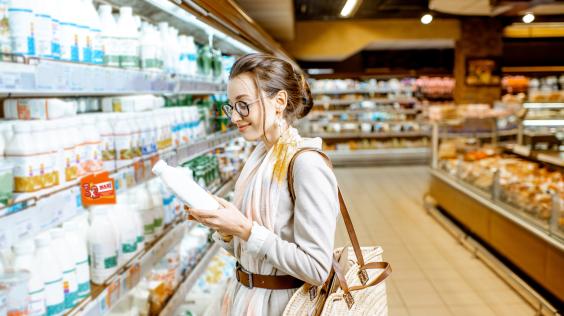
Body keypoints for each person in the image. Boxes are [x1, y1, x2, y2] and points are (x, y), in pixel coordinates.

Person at [187, 53, 339, 315]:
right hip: (248, 299)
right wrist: (224, 227)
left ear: (279, 101)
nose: (235, 117)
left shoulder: (305, 164)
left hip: (284, 306)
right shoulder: (260, 159)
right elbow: (249, 254)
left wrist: (245, 229)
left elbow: (316, 268)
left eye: (243, 105)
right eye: (232, 106)